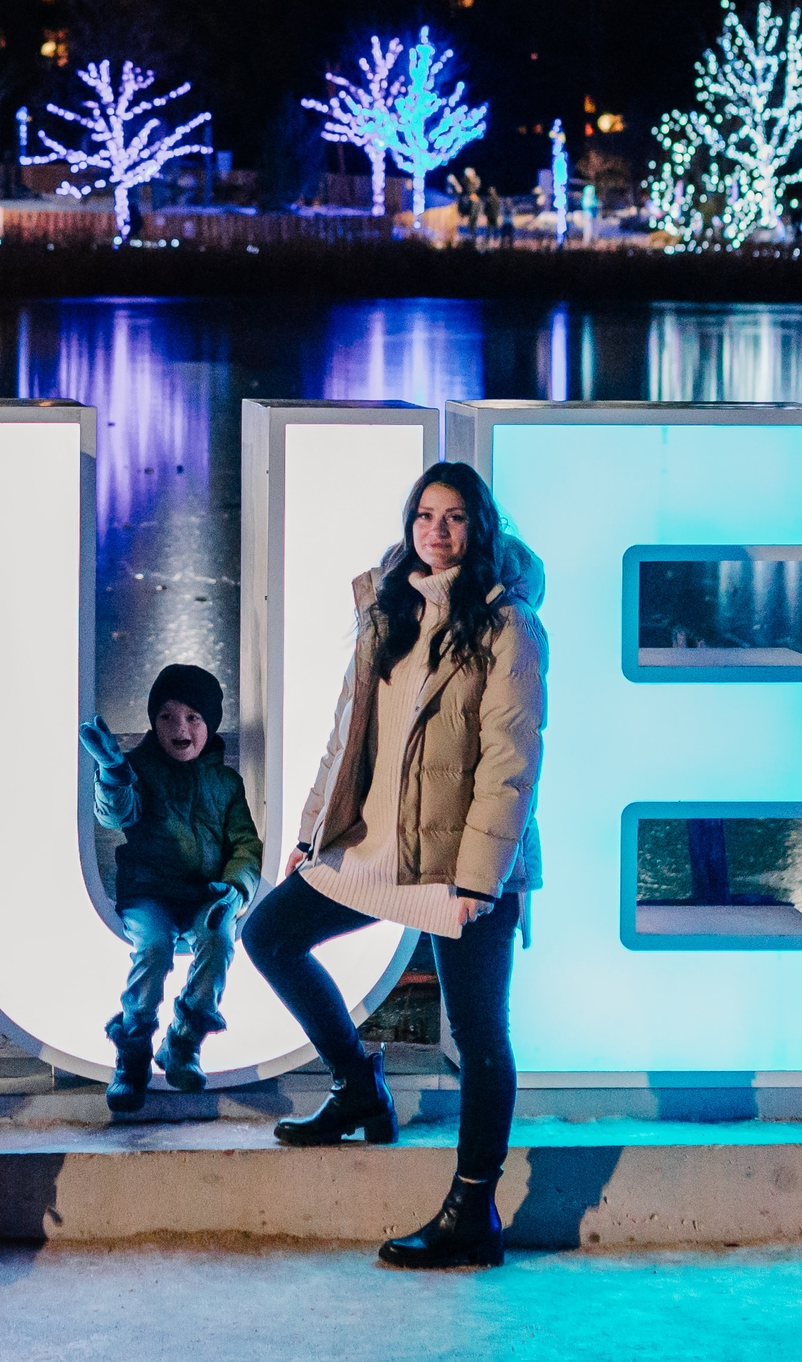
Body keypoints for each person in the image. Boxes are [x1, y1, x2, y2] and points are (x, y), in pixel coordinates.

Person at [243, 460, 546, 1272]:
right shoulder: (386, 610)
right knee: (267, 934)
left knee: (481, 1036)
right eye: (424, 515)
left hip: (461, 861)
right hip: (377, 843)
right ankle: (359, 1086)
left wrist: (482, 876)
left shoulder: (508, 624)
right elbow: (350, 737)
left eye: (453, 517)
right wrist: (314, 832)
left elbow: (510, 761)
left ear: (479, 528)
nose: (436, 531)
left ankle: (472, 1209)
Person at [83, 661, 260, 1115]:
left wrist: (235, 891)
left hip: (206, 894)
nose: (179, 728)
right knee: (155, 950)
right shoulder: (138, 768)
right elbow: (114, 815)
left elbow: (244, 843)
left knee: (219, 941)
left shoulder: (226, 782)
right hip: (149, 893)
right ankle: (133, 1053)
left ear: (210, 723)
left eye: (193, 718)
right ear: (152, 721)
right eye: (167, 716)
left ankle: (183, 1042)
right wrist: (112, 771)